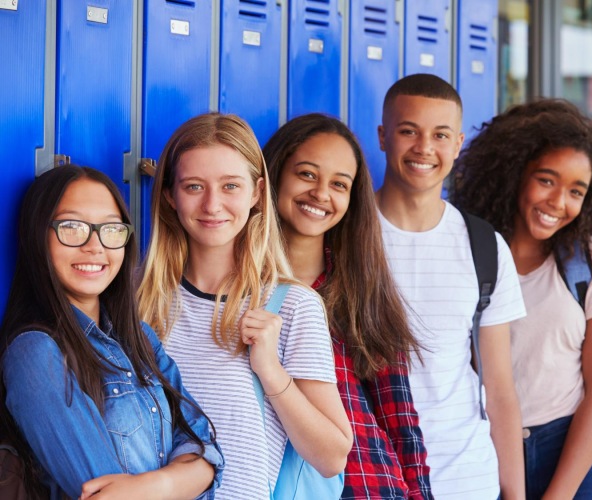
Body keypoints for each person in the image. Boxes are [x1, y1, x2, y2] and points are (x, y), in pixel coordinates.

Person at [137, 112, 352, 499]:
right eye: (194, 186)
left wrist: (271, 372)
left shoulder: (292, 306)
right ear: (170, 195)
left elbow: (332, 457)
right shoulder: (138, 300)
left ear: (256, 193)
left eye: (230, 186)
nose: (212, 204)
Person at [0, 165, 223, 499]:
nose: (95, 246)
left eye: (111, 229)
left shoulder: (139, 338)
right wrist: (184, 477)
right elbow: (102, 493)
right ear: (38, 235)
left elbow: (206, 448)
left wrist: (153, 486)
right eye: (72, 227)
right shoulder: (36, 353)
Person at [451, 99, 592, 499]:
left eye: (576, 191)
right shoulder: (468, 253)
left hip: (575, 459)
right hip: (487, 450)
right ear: (515, 173)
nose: (558, 202)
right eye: (547, 180)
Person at [263, 112, 432, 499]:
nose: (321, 194)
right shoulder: (237, 289)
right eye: (307, 174)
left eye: (339, 184)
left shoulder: (362, 289)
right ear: (274, 175)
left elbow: (399, 420)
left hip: (370, 485)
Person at [374, 73, 526, 499]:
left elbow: (499, 389)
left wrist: (515, 493)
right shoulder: (346, 234)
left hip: (467, 479)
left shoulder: (484, 245)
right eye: (409, 131)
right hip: (372, 478)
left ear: (458, 144)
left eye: (440, 135)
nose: (424, 148)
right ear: (383, 136)